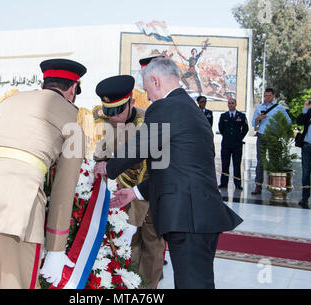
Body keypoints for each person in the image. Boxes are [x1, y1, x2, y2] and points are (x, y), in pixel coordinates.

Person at [94, 57, 243, 289]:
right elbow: (177, 169)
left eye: (147, 89)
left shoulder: (166, 107)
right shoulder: (187, 107)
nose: (149, 96)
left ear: (155, 81)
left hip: (189, 216)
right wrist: (135, 192)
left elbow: (139, 146)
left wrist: (108, 167)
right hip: (197, 213)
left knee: (193, 285)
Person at [0, 58, 87, 289]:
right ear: (73, 89)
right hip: (17, 214)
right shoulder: (74, 119)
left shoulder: (10, 102)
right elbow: (64, 188)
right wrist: (56, 248)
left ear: (43, 83)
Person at [93, 71, 165, 289]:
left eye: (118, 111)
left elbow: (152, 164)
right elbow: (103, 151)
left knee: (152, 250)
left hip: (150, 194)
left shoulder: (149, 121)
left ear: (132, 102)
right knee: (126, 252)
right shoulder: (109, 122)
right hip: (121, 201)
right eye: (109, 112)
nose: (113, 117)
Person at [251, 88, 291, 195]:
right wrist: (258, 118)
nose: (266, 97)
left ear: (273, 96)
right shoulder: (259, 107)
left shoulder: (279, 108)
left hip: (273, 137)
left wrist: (279, 129)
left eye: (269, 95)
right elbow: (254, 124)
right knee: (260, 162)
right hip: (261, 136)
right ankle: (258, 186)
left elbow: (288, 122)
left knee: (274, 161)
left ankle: (275, 185)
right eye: (265, 95)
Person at [218, 98, 249, 190]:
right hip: (226, 144)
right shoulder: (223, 116)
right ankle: (224, 183)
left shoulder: (241, 116)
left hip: (237, 144)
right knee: (225, 164)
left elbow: (245, 128)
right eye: (229, 103)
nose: (231, 105)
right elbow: (221, 128)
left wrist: (239, 137)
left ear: (235, 104)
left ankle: (238, 184)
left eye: (232, 103)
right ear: (227, 105)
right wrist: (227, 136)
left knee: (237, 165)